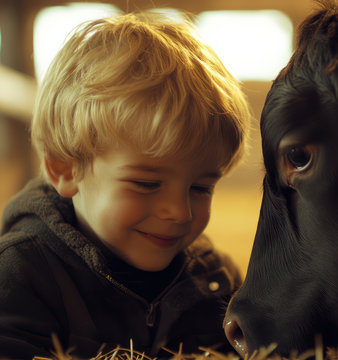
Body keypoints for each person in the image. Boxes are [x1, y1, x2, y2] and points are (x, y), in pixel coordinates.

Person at [0, 11, 251, 359]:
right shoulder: (21, 276)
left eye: (201, 188)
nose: (179, 211)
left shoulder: (215, 281)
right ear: (65, 171)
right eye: (147, 184)